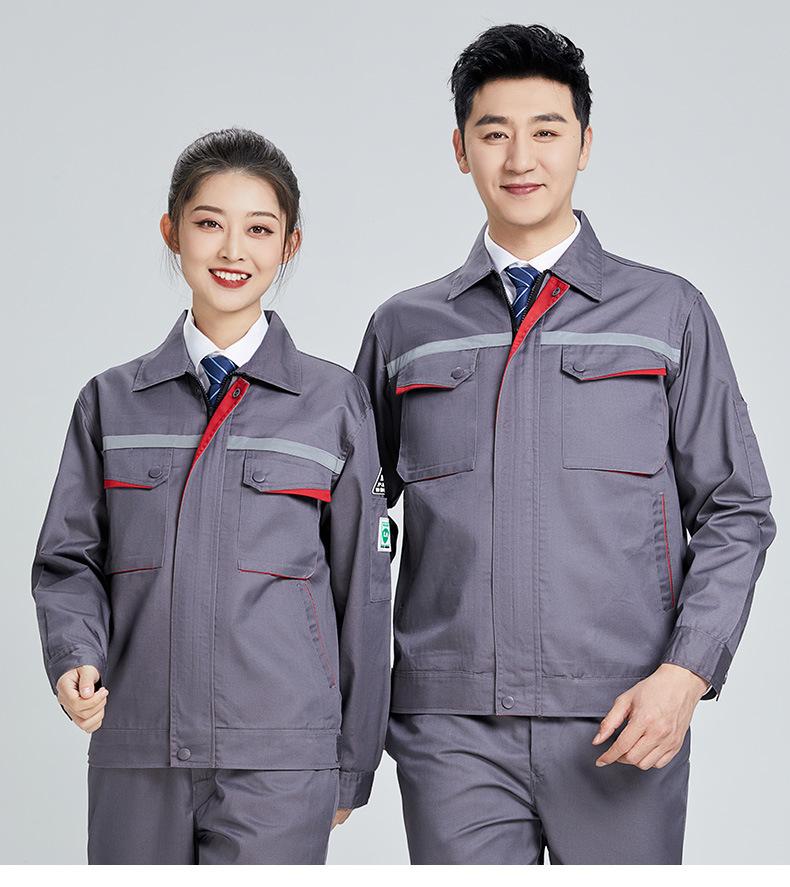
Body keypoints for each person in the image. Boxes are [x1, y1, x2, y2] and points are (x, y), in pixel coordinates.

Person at [353, 24, 776, 864]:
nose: (521, 158)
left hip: (624, 713)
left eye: (546, 131)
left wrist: (685, 673)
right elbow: (350, 519)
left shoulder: (667, 315)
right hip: (450, 728)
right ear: (460, 149)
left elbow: (736, 509)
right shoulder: (406, 329)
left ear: (584, 144)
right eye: (494, 133)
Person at [32, 127, 392, 864]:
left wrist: (353, 760)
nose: (233, 250)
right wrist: (73, 655)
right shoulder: (111, 402)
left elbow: (363, 589)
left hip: (280, 759)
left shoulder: (333, 403)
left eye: (259, 229)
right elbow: (69, 560)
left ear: (289, 245)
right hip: (139, 745)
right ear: (171, 233)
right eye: (208, 223)